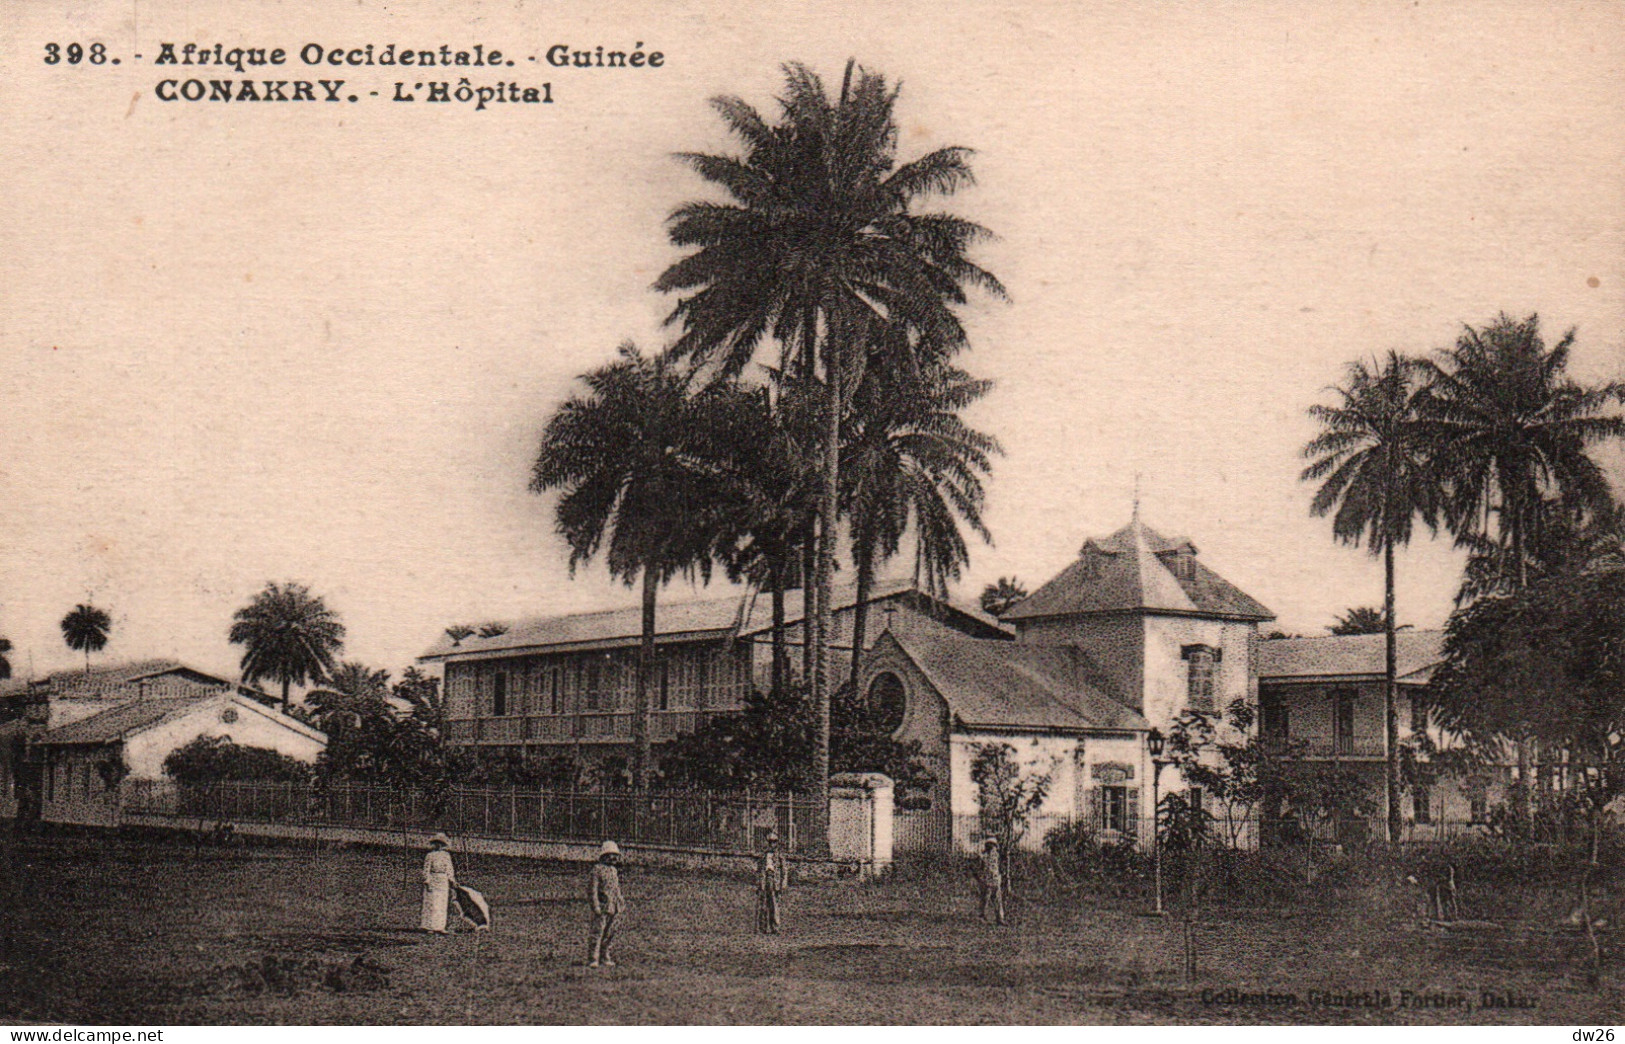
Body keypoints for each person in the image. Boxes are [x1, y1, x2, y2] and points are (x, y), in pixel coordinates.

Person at [588, 840, 625, 967]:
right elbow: (592, 890)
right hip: (603, 907)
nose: (613, 858)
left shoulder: (614, 871)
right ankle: (593, 958)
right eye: (610, 854)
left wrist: (620, 902)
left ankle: (605, 955)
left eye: (615, 855)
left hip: (614, 907)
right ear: (603, 856)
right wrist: (596, 906)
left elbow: (616, 889)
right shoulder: (597, 870)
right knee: (597, 932)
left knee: (610, 933)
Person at [421, 833, 457, 934]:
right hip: (433, 879)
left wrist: (452, 880)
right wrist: (427, 881)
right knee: (432, 903)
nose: (439, 846)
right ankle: (430, 927)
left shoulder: (446, 856)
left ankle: (440, 927)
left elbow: (449, 869)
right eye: (437, 844)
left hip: (443, 881)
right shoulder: (430, 855)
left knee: (442, 903)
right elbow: (426, 869)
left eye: (441, 844)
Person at [756, 830, 789, 934]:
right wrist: (759, 882)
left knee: (774, 905)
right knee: (763, 904)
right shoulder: (763, 855)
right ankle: (763, 927)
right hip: (765, 880)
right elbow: (759, 869)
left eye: (774, 842)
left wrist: (783, 883)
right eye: (770, 842)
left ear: (777, 843)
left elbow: (784, 870)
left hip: (775, 881)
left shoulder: (780, 855)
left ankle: (775, 927)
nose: (772, 844)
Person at [977, 836, 1007, 925]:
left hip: (995, 880)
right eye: (989, 845)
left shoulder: (997, 856)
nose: (992, 848)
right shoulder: (983, 856)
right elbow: (980, 868)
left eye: (993, 846)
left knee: (997, 900)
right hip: (986, 881)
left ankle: (1000, 918)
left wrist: (1001, 875)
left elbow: (1001, 867)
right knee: (985, 899)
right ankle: (982, 917)